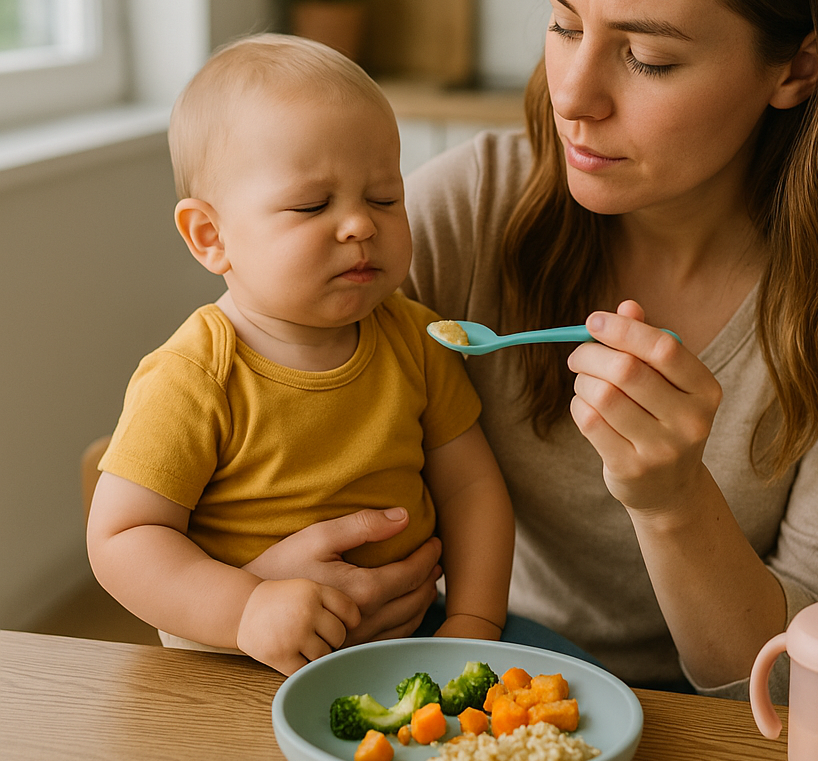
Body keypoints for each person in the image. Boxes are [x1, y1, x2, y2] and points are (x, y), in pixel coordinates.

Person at [227, 0, 818, 701]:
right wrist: (254, 581)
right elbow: (229, 408)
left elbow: (805, 687)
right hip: (485, 698)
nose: (571, 94)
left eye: (648, 58)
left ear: (796, 68)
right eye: (563, 23)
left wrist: (671, 500)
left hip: (719, 746)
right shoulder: (467, 208)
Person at [86, 34, 515, 675]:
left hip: (412, 641)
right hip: (241, 663)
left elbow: (474, 489)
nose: (360, 225)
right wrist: (246, 609)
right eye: (313, 205)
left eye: (384, 198)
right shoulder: (196, 375)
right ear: (211, 236)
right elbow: (122, 540)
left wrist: (473, 624)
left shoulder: (416, 341)